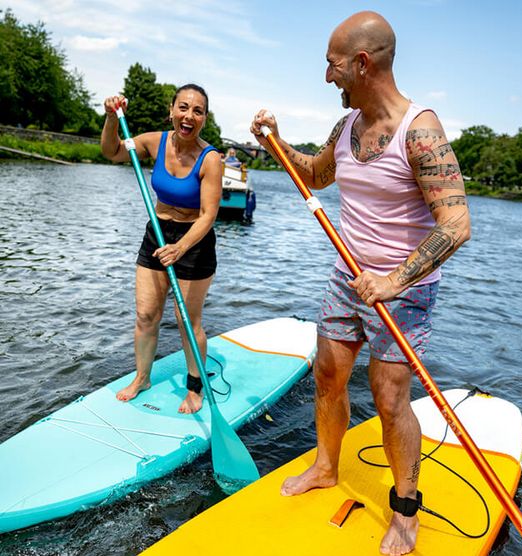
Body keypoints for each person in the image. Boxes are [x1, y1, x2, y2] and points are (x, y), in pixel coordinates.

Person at [250, 11, 471, 556]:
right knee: (327, 373)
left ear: (362, 63)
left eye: (332, 65)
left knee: (389, 396)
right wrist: (276, 143)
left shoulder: (420, 130)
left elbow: (457, 224)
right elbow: (315, 175)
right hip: (348, 275)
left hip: (406, 287)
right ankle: (326, 467)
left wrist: (395, 279)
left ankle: (404, 512)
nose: (327, 77)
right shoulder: (346, 127)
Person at [101, 84, 222, 414]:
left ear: (204, 119)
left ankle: (195, 386)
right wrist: (112, 118)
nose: (189, 115)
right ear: (171, 110)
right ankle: (142, 377)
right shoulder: (155, 141)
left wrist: (180, 247)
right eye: (183, 107)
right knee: (146, 315)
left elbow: (209, 214)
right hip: (157, 232)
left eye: (197, 111)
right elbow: (112, 152)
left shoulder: (210, 159)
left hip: (193, 241)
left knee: (186, 319)